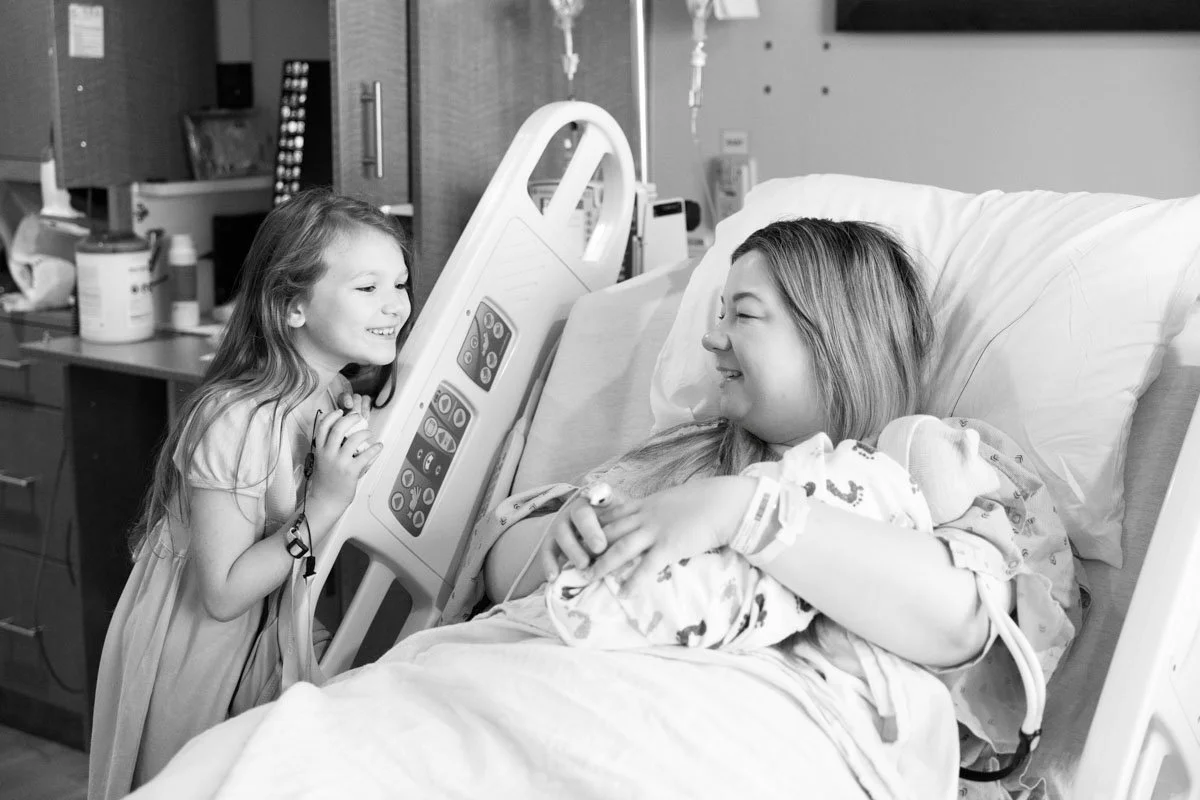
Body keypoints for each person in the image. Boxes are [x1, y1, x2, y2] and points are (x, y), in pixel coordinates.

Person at [88, 189, 412, 799]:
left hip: (268, 635)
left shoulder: (333, 397)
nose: (395, 306)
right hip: (197, 654)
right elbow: (223, 593)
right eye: (368, 288)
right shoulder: (237, 417)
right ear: (292, 304)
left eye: (399, 285)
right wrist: (326, 503)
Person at [544, 414, 1001, 652]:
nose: (713, 337)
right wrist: (570, 529)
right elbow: (505, 574)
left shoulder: (924, 477)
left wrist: (744, 510)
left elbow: (966, 623)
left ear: (832, 341)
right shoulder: (682, 449)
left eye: (743, 315)